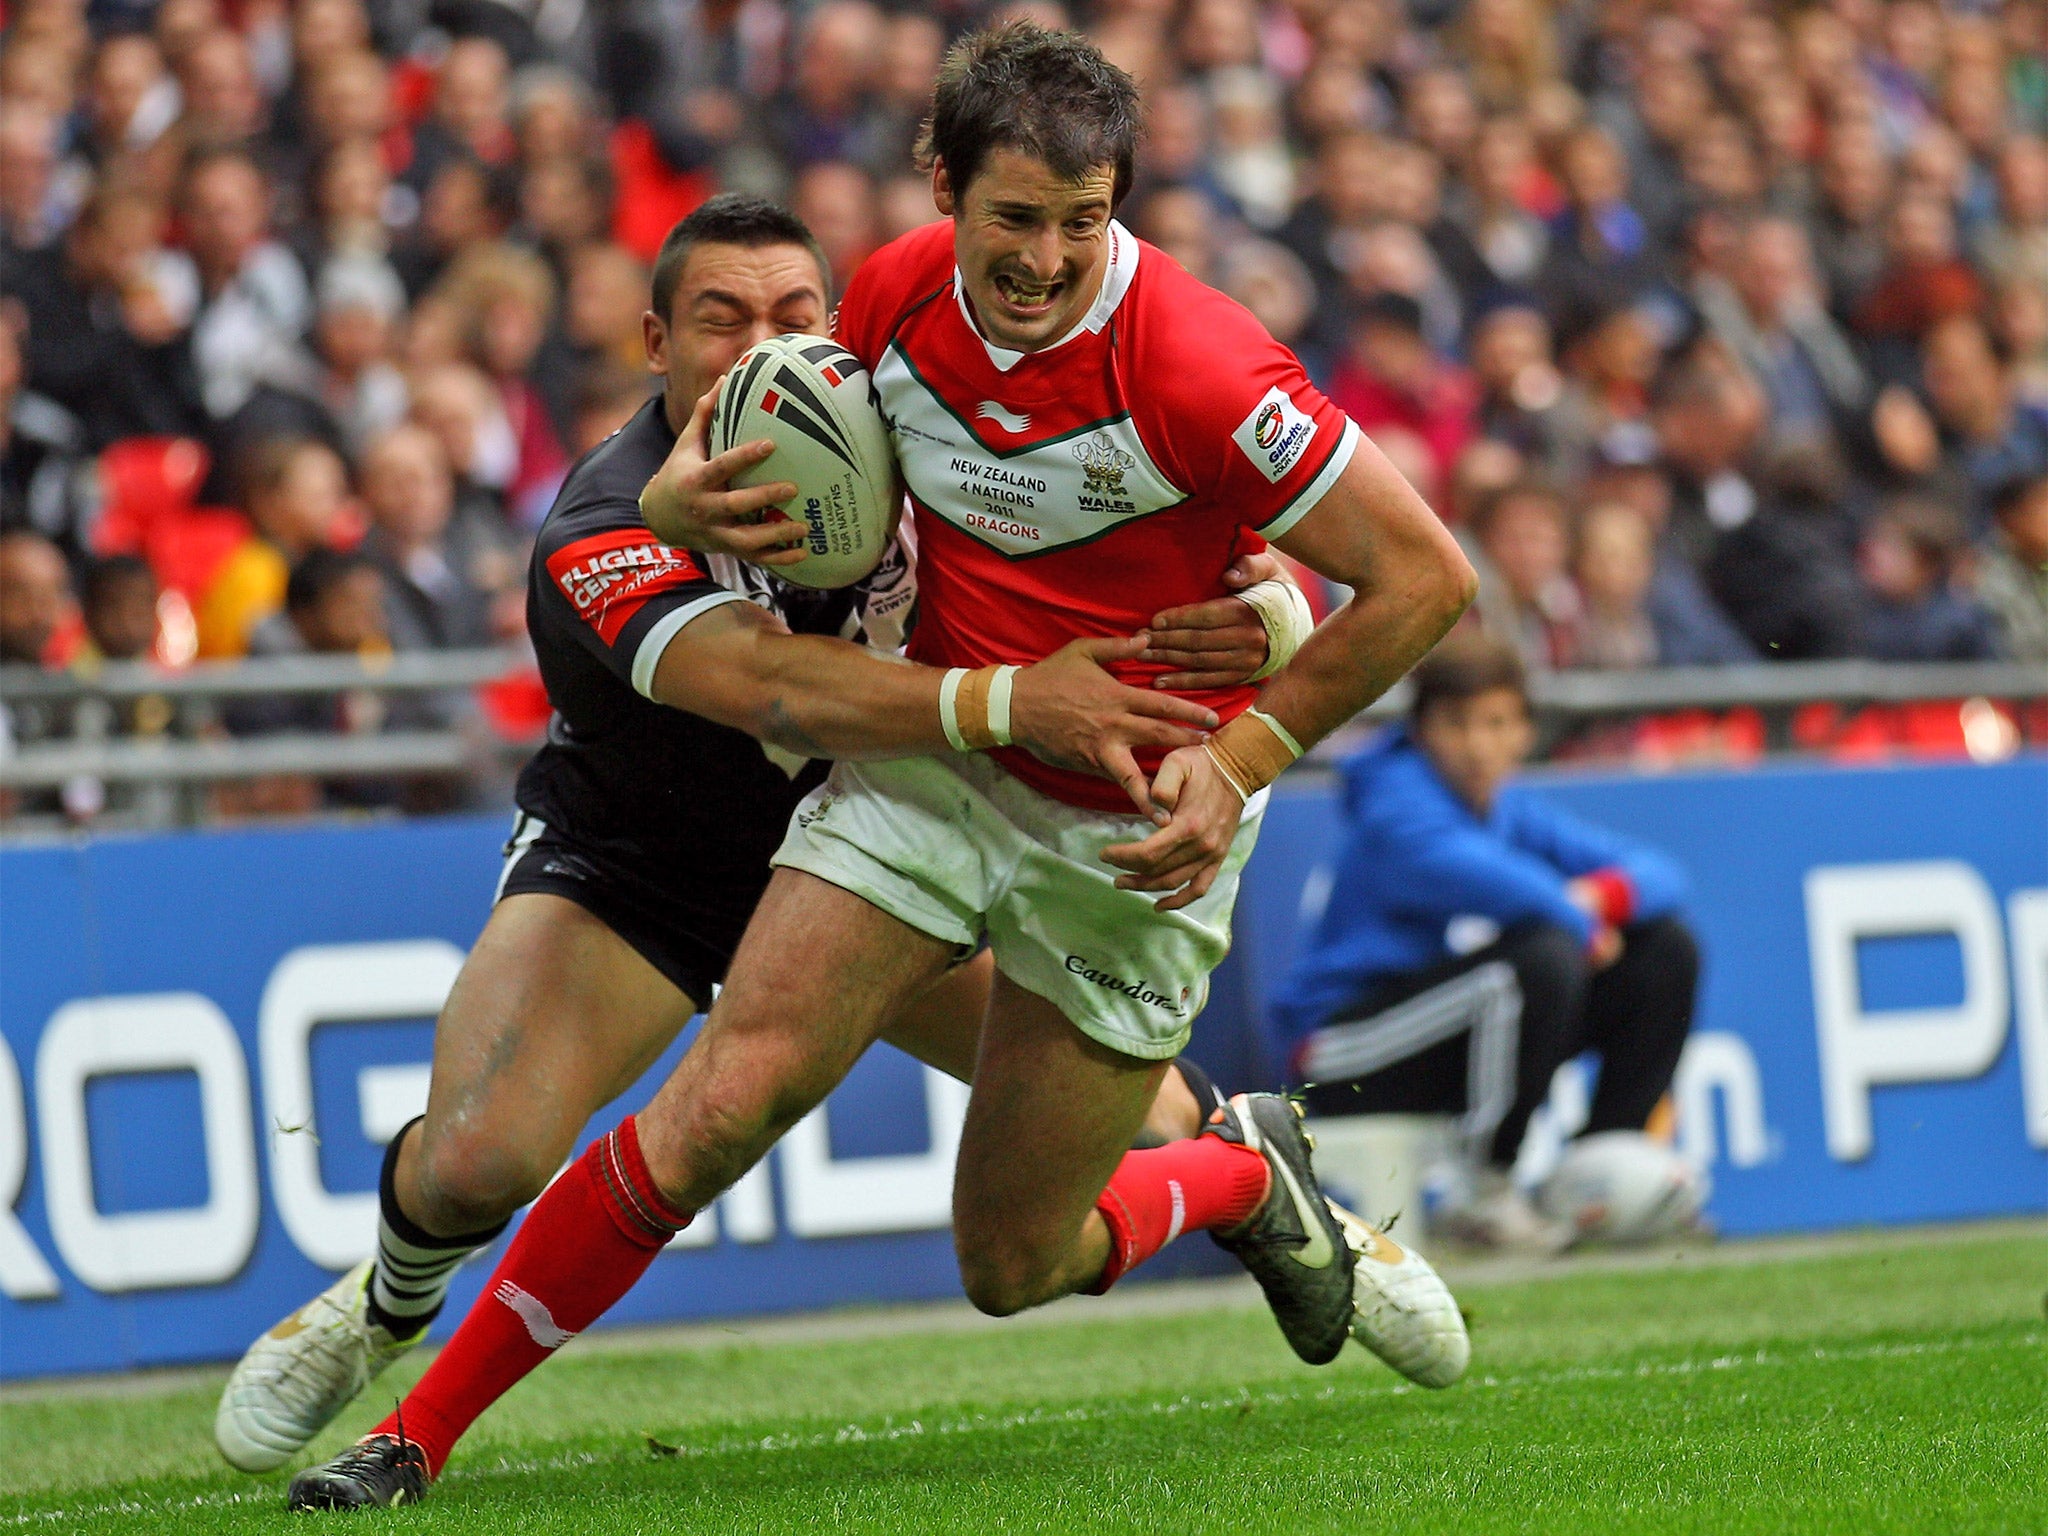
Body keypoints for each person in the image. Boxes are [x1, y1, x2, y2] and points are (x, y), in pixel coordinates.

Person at [275, 26, 1472, 1510]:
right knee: (720, 1107)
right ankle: (412, 1439)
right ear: (941, 189)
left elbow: (1423, 581)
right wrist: (665, 504)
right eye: (1012, 219)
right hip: (933, 773)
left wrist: (1242, 747)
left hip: (1145, 823)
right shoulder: (885, 314)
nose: (1043, 259)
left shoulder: (1198, 360)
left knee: (1012, 1262)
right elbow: (763, 588)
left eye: (1081, 220)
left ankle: (1244, 1178)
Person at [1271, 633, 1696, 1251]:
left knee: (1663, 952)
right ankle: (1482, 1197)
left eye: (1497, 724)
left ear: (1525, 732)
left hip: (1442, 1029)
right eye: (1458, 724)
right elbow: (1486, 878)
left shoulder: (1506, 807)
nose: (1478, 745)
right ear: (1421, 731)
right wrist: (1577, 919)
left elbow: (1661, 874)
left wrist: (1600, 902)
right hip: (1340, 1051)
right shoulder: (1395, 804)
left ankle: (1602, 1173)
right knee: (1535, 962)